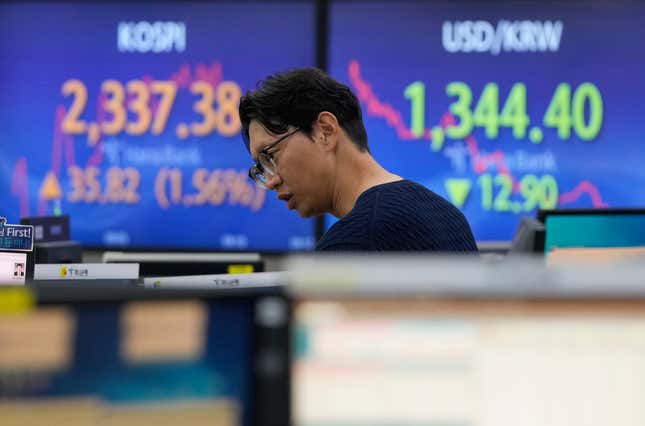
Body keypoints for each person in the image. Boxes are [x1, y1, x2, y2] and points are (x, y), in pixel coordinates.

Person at [239, 68, 478, 252]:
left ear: (325, 131)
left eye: (269, 155)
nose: (270, 181)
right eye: (261, 168)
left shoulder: (353, 242)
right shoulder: (449, 216)